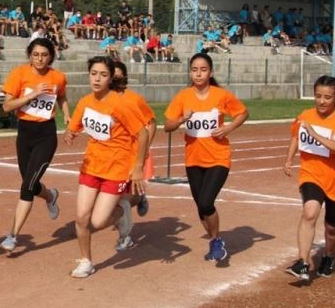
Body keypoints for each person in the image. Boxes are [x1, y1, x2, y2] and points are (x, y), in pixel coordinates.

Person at [63, 56, 149, 278]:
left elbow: (142, 133)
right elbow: (74, 126)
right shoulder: (85, 102)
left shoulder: (120, 104)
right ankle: (86, 261)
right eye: (93, 74)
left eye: (103, 75)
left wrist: (138, 166)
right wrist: (70, 133)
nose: (97, 79)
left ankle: (122, 211)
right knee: (81, 217)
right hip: (91, 165)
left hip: (116, 169)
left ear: (111, 78)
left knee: (98, 221)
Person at [164, 53, 249, 262]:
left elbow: (243, 113)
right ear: (190, 72)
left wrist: (228, 128)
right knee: (201, 207)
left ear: (210, 72)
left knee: (206, 201)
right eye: (194, 70)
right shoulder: (183, 96)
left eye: (203, 70)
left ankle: (216, 241)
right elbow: (167, 126)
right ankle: (215, 240)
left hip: (218, 157)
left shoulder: (221, 95)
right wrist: (181, 119)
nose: (198, 74)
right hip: (193, 159)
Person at [283, 76, 335, 281]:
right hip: (312, 173)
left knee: (332, 228)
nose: (321, 101)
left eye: (327, 97)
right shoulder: (305, 115)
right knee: (310, 213)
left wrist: (315, 134)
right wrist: (289, 159)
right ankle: (303, 262)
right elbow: (295, 135)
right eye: (318, 96)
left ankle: (328, 255)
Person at [0, 38, 70, 252]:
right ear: (30, 55)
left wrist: (67, 115)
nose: (40, 59)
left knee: (27, 187)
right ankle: (50, 196)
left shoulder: (58, 77)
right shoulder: (18, 74)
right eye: (36, 54)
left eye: (44, 55)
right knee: (29, 182)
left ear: (51, 57)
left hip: (45, 136)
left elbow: (62, 97)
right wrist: (33, 94)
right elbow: (7, 106)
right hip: (24, 135)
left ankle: (12, 236)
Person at [110, 61, 157, 249]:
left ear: (125, 77)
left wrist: (145, 150)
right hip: (111, 155)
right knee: (114, 196)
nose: (115, 79)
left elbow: (151, 123)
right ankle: (139, 198)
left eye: (118, 75)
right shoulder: (103, 99)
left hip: (132, 154)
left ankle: (125, 236)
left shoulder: (134, 99)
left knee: (120, 198)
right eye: (112, 75)